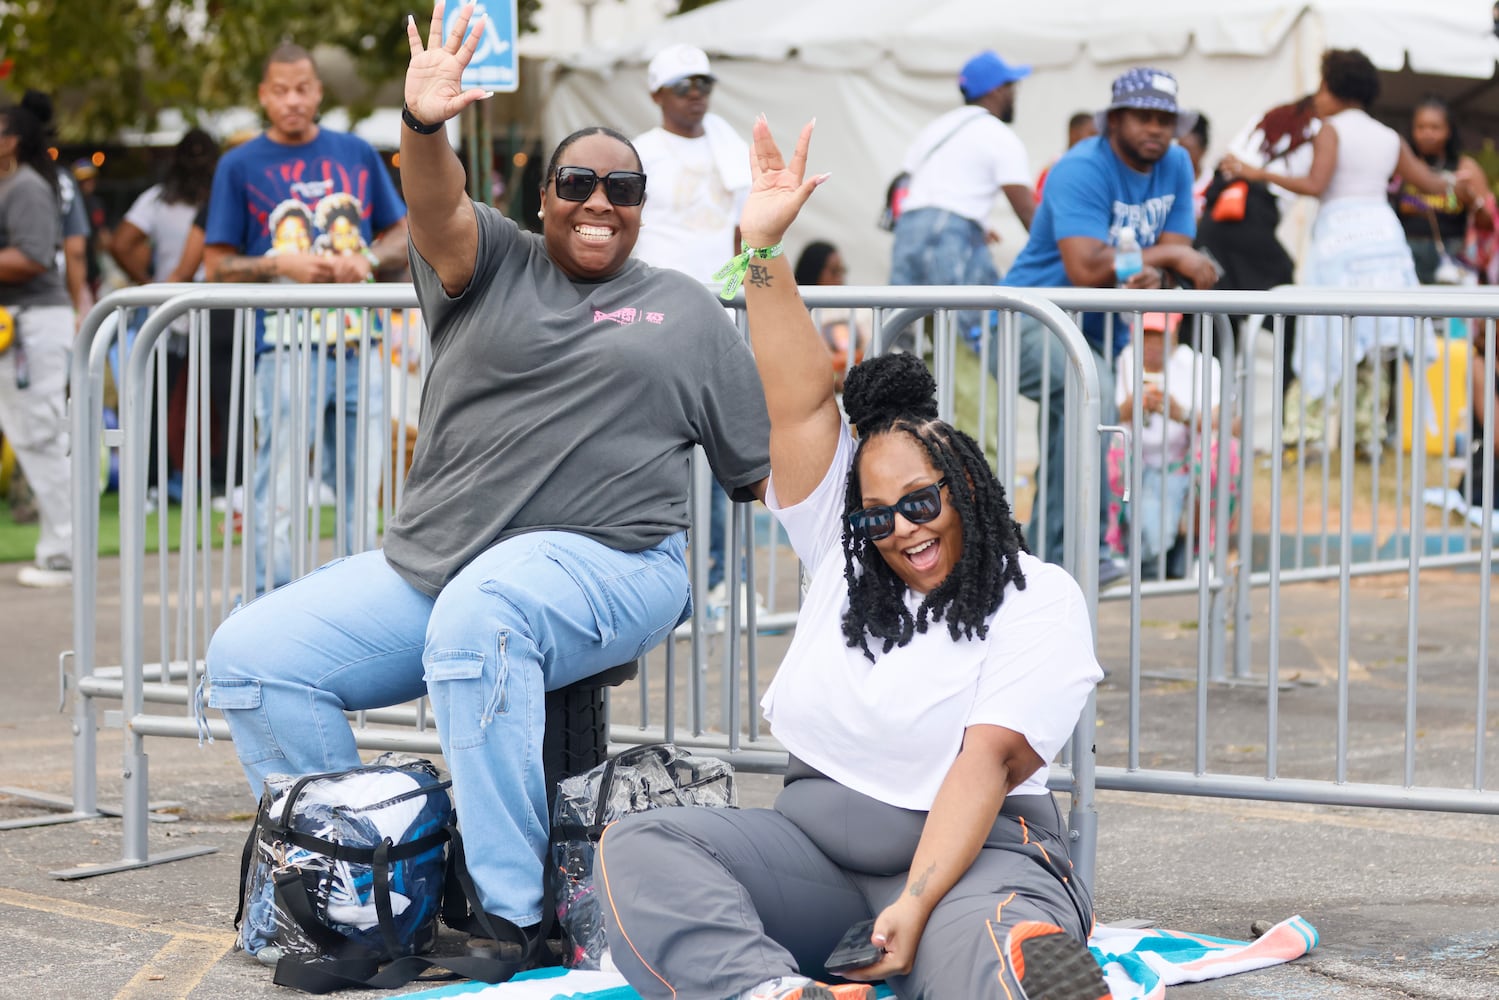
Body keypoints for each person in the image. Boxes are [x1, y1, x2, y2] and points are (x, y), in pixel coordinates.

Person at [205, 0, 770, 952]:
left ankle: (510, 916)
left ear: (642, 205)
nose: (598, 201)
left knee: (485, 615)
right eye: (576, 183)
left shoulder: (682, 309)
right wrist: (424, 126)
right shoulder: (490, 262)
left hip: (618, 560)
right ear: (540, 195)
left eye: (620, 189)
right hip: (441, 562)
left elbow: (763, 470)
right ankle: (374, 883)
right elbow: (432, 201)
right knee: (252, 660)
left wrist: (767, 266)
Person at [599, 118, 1106, 1000]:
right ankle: (772, 992)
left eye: (920, 503)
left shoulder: (1037, 597)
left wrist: (913, 902)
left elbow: (984, 764)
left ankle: (1035, 965)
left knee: (998, 951)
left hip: (965, 871)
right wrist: (759, 248)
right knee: (643, 848)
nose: (900, 529)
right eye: (875, 516)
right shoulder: (847, 551)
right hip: (816, 867)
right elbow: (799, 407)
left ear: (966, 490)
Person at [998, 67, 1219, 583]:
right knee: (1088, 393)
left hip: (1098, 329)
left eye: (1166, 119)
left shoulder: (1178, 164)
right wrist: (1166, 256)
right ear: (1114, 120)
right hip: (1029, 316)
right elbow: (1085, 267)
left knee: (1076, 421)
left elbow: (1173, 256)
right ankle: (1081, 550)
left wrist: (1156, 267)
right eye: (1144, 116)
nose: (1157, 129)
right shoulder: (1080, 168)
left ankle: (1051, 565)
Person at [203, 43, 408, 592]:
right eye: (280, 90)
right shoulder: (239, 163)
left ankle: (359, 606)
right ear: (263, 95)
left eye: (302, 88)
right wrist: (280, 262)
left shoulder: (356, 152)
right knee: (282, 489)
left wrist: (364, 258)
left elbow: (403, 232)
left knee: (363, 493)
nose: (292, 100)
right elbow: (216, 264)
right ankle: (273, 607)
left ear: (318, 92)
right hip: (285, 347)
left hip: (360, 344)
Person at [1221, 49, 1477, 460]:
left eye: (1323, 85)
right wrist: (1459, 185)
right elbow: (1429, 182)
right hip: (1385, 243)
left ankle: (1306, 435)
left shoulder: (1329, 129)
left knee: (1321, 333)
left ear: (1338, 87)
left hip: (1340, 241)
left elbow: (1316, 184)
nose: (1318, 95)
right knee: (1374, 340)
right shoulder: (1388, 136)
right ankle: (1367, 436)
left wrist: (1259, 173)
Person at [632, 43, 752, 607]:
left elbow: (745, 234)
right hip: (654, 313)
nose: (697, 94)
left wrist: (738, 291)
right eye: (684, 85)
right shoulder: (640, 151)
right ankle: (670, 584)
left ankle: (722, 580)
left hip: (718, 313)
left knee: (727, 447)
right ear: (658, 93)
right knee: (663, 450)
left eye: (704, 82)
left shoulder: (731, 147)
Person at [890, 49, 1035, 345]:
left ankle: (894, 392)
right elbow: (1029, 215)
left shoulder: (936, 128)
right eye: (1011, 87)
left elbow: (916, 189)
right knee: (974, 336)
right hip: (951, 236)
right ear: (996, 90)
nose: (1014, 94)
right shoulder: (997, 134)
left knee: (901, 334)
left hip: (909, 230)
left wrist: (974, 225)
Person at [0, 91, 74, 587]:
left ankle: (64, 553)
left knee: (43, 437)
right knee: (32, 436)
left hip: (35, 325)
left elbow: (34, 257)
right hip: (23, 325)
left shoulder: (26, 187)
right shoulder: (16, 183)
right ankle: (61, 548)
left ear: (13, 140)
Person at [1111, 312, 1227, 579]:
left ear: (1175, 333)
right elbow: (1104, 418)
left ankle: (1202, 553)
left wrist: (1181, 414)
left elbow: (1228, 423)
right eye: (1146, 335)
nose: (1152, 344)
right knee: (1111, 442)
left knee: (1222, 450)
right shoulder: (1124, 359)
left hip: (1180, 467)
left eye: (1159, 335)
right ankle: (1115, 549)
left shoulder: (1201, 364)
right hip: (1133, 468)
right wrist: (1132, 408)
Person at [1390, 97, 1486, 285]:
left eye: (1435, 128)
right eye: (1421, 127)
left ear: (1449, 131)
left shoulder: (1465, 167)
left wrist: (1471, 198)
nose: (1427, 134)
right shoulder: (1401, 165)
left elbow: (1487, 222)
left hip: (1453, 257)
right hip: (1407, 255)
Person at [793, 239, 869, 391]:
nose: (839, 278)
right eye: (834, 271)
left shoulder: (858, 307)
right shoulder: (794, 313)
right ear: (814, 271)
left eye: (842, 271)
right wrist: (831, 381)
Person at [1034, 111, 1098, 203]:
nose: (1096, 140)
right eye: (1092, 134)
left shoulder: (1090, 167)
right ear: (1073, 133)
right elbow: (1039, 202)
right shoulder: (1055, 167)